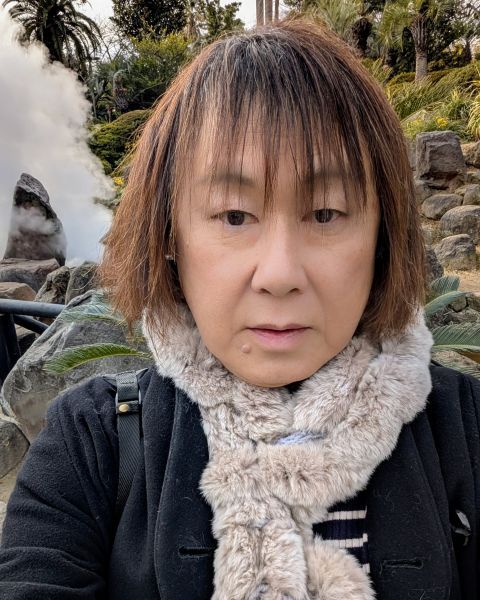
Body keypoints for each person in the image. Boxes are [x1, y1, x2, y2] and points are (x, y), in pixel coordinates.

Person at [0, 16, 479, 600]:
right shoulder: (91, 445)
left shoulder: (468, 431)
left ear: (382, 233)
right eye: (234, 216)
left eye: (325, 213)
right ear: (169, 234)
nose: (278, 274)